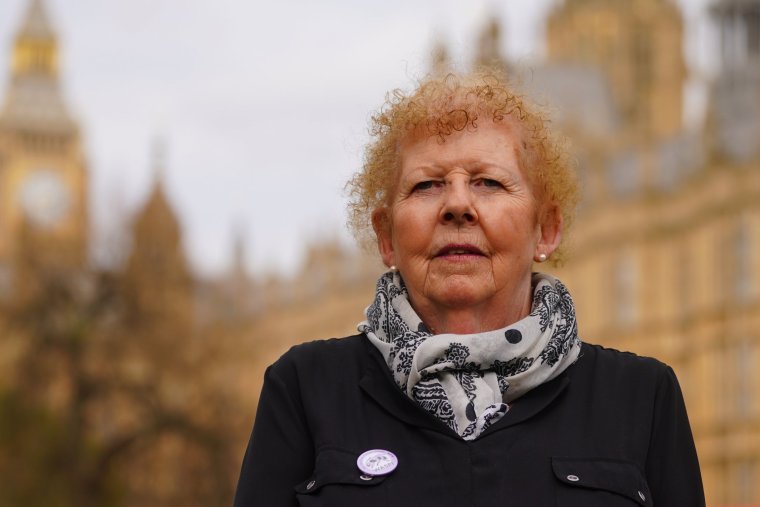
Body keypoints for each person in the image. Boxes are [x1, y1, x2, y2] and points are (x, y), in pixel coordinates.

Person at [232, 71, 705, 506]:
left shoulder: (642, 399)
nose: (458, 204)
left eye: (489, 182)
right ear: (385, 237)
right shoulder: (305, 388)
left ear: (546, 229)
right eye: (426, 186)